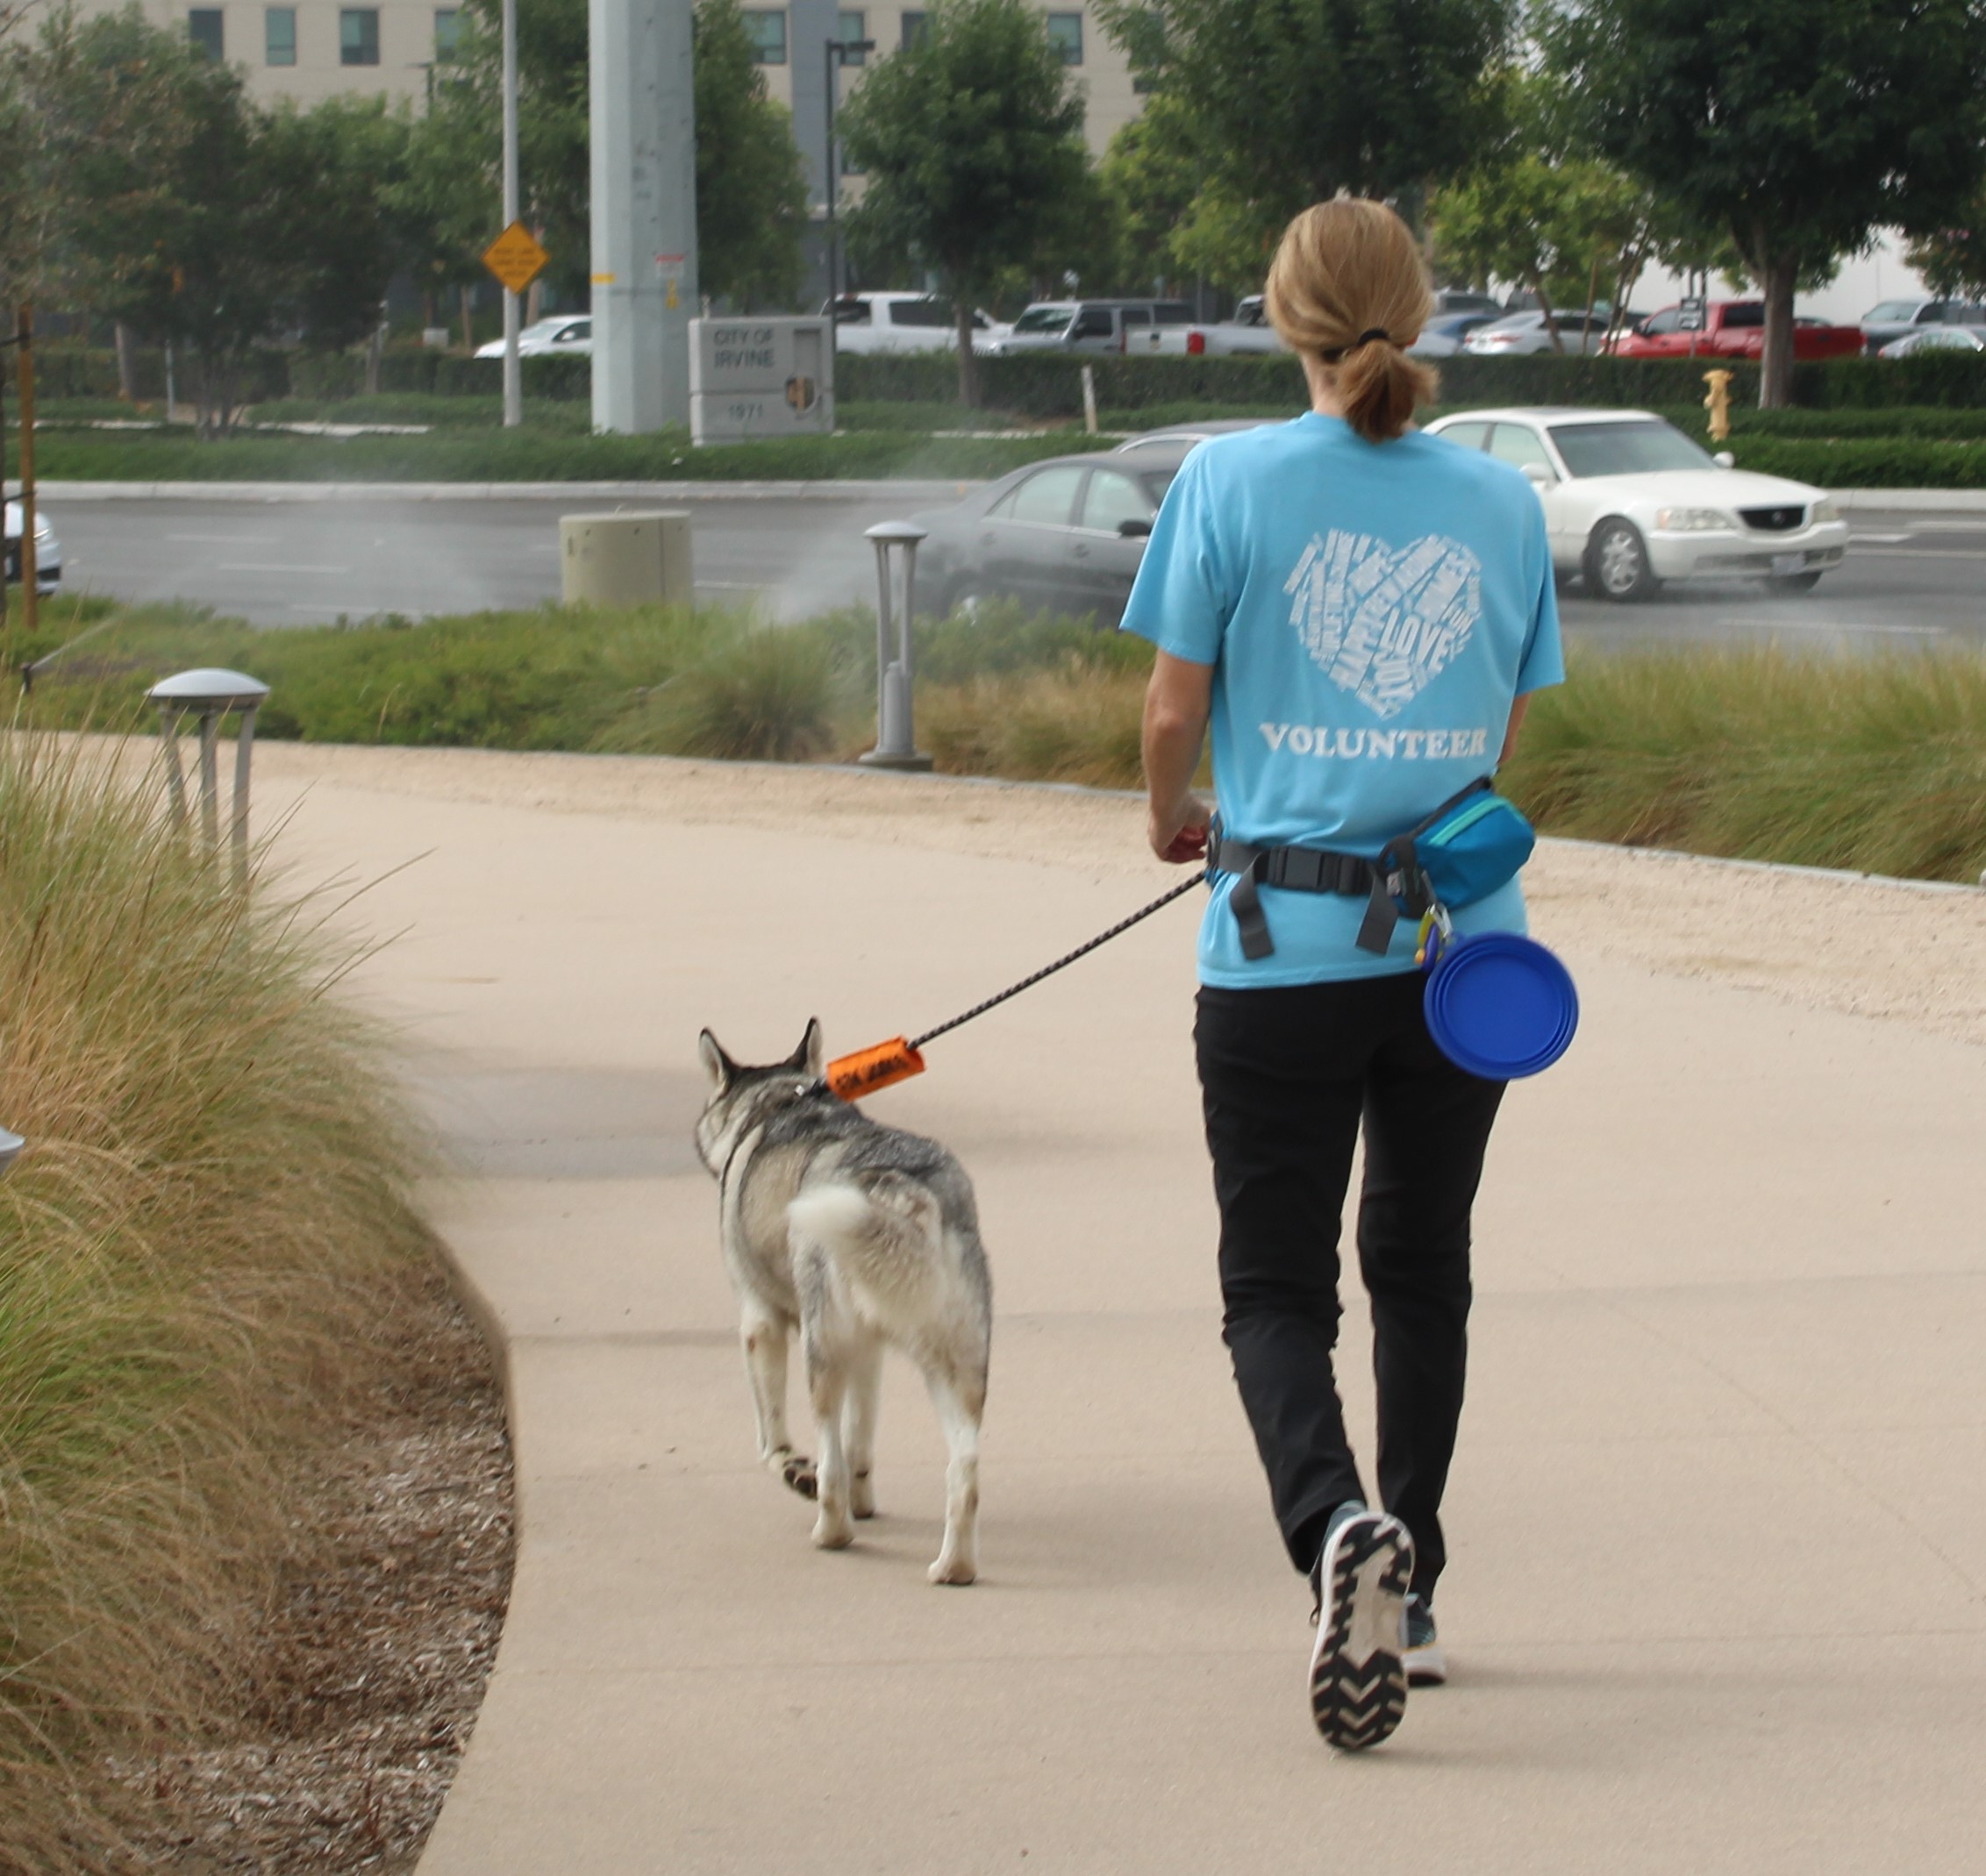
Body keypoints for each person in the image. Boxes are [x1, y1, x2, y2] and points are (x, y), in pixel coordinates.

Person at [1120, 198, 1563, 1751]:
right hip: (1466, 949)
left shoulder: (1230, 481)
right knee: (1423, 1267)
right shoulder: (1502, 502)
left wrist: (1173, 816)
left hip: (1281, 947)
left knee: (1273, 1289)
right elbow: (1504, 735)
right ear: (1420, 313)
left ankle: (1332, 1531)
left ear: (1279, 313)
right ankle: (1416, 1590)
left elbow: (1177, 710)